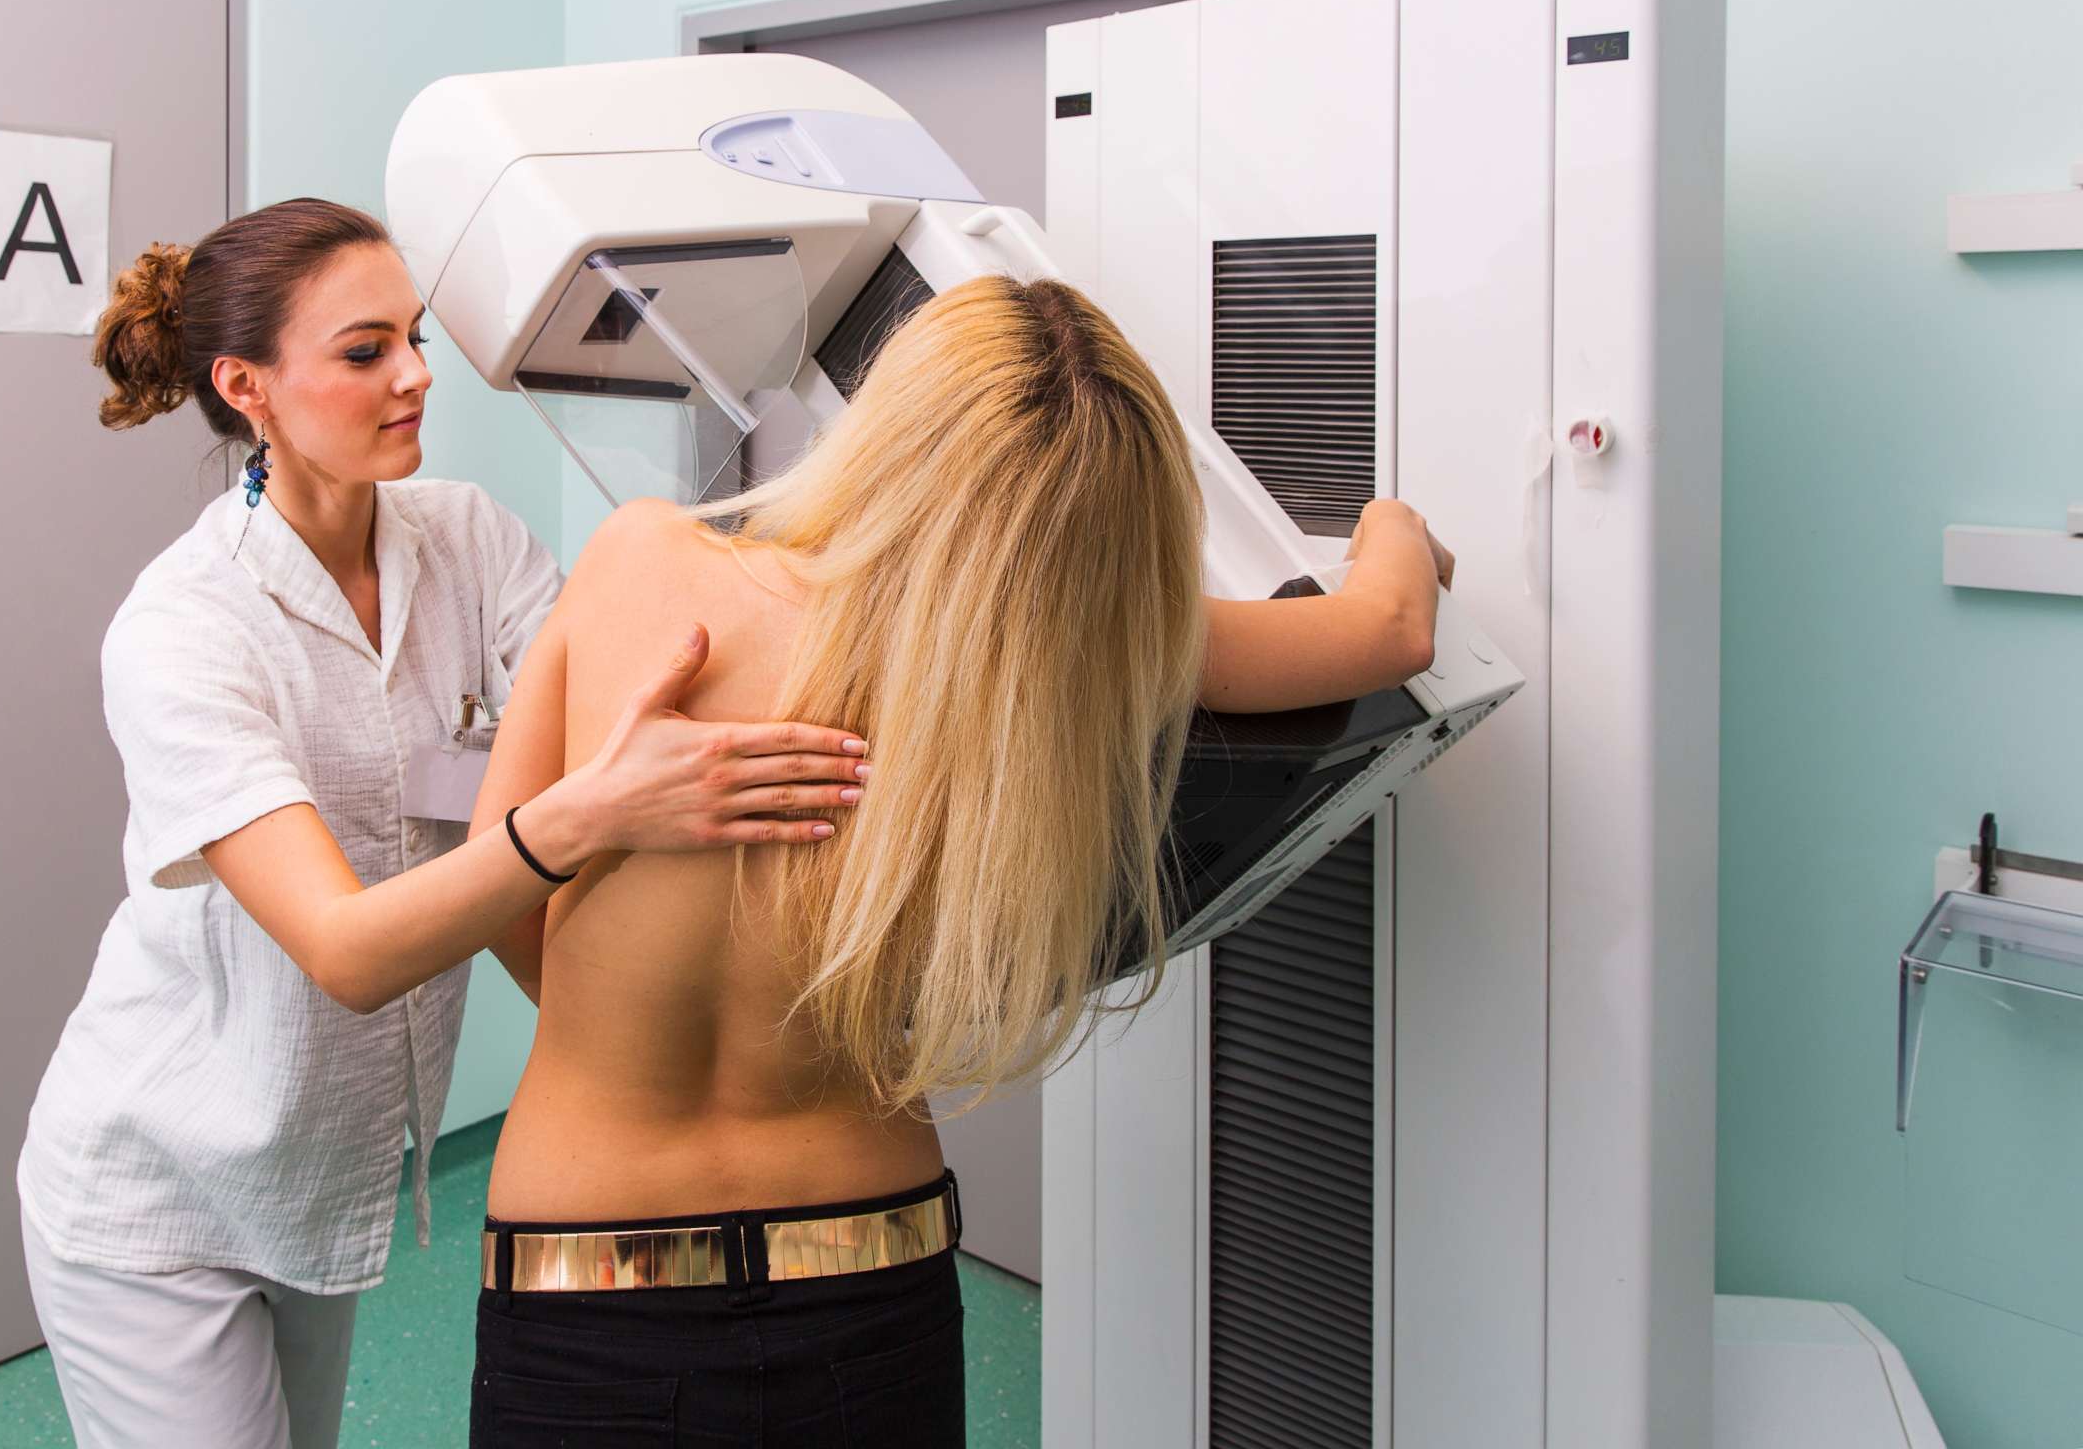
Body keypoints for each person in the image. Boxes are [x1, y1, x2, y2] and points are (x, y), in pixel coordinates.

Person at [464, 274, 1451, 1446]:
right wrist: (1399, 523)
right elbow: (1393, 627)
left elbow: (501, 893)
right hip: (870, 1258)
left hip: (588, 1268)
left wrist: (612, 1028)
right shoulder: (1089, 650)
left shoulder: (644, 562)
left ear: (889, 427)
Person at [14, 197, 869, 1449]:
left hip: (317, 1173)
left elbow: (620, 702)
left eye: (412, 337)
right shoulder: (184, 632)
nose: (417, 375)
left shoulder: (467, 539)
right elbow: (350, 949)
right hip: (162, 1182)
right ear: (246, 385)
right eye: (366, 353)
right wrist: (585, 816)